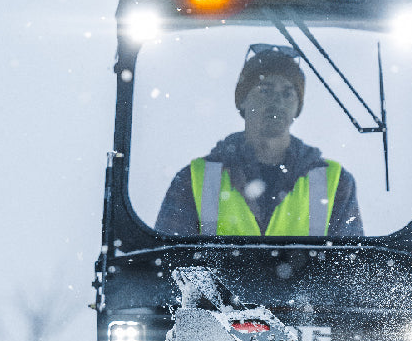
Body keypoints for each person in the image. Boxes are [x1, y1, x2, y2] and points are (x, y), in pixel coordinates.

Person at [155, 45, 363, 238]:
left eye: (288, 93)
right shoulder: (194, 180)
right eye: (265, 90)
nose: (277, 101)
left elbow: (351, 263)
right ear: (242, 100)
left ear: (298, 106)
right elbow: (168, 260)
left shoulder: (336, 183)